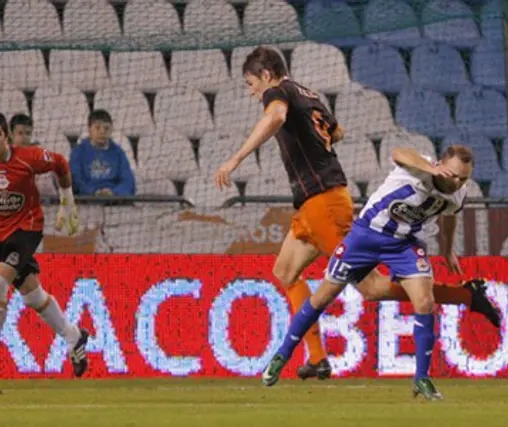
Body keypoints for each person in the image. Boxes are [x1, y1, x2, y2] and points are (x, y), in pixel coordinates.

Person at [214, 46, 500, 380]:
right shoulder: (309, 94)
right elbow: (338, 132)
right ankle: (317, 358)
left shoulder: (278, 92)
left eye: (251, 84)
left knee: (373, 289)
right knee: (285, 271)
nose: (252, 93)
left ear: (266, 75)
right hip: (313, 202)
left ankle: (465, 295)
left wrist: (235, 159)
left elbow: (276, 117)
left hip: (324, 202)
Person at [262, 145, 476, 400]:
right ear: (441, 164)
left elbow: (450, 214)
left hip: (404, 245)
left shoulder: (458, 194)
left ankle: (422, 378)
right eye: (452, 175)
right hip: (365, 236)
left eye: (463, 178)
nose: (456, 182)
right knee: (322, 298)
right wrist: (432, 168)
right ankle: (281, 356)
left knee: (425, 301)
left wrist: (448, 248)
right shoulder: (421, 167)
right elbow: (398, 152)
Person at [0, 108, 89, 377]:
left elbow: (60, 163)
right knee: (33, 295)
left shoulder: (28, 157)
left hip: (28, 228)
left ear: (7, 135)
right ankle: (74, 336)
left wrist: (67, 202)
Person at [70, 110, 136, 197]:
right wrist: (94, 192)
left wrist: (114, 193)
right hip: (87, 199)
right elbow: (76, 180)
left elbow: (128, 181)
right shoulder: (79, 151)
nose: (102, 132)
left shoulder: (118, 152)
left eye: (106, 128)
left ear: (112, 130)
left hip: (114, 199)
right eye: (97, 128)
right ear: (89, 129)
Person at [8, 113, 59, 200]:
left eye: (27, 133)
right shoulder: (5, 157)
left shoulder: (40, 154)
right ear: (12, 135)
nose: (24, 137)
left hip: (47, 202)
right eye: (20, 133)